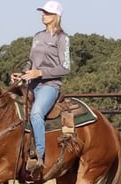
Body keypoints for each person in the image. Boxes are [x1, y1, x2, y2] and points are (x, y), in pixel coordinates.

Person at [11, 1, 71, 171]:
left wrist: (40, 73)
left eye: (47, 12)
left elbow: (65, 68)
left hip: (49, 86)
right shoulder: (37, 36)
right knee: (5, 107)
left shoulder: (62, 38)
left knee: (36, 113)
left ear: (56, 16)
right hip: (31, 84)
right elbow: (31, 63)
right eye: (42, 12)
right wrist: (21, 75)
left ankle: (39, 155)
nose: (43, 15)